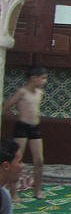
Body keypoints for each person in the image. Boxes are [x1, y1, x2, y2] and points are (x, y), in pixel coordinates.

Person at [2, 66, 48, 201]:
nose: (44, 81)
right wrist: (17, 119)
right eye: (42, 78)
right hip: (22, 127)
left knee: (39, 160)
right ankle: (13, 193)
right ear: (33, 78)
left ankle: (37, 190)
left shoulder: (40, 93)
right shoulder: (22, 92)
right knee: (17, 160)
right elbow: (6, 108)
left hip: (35, 127)